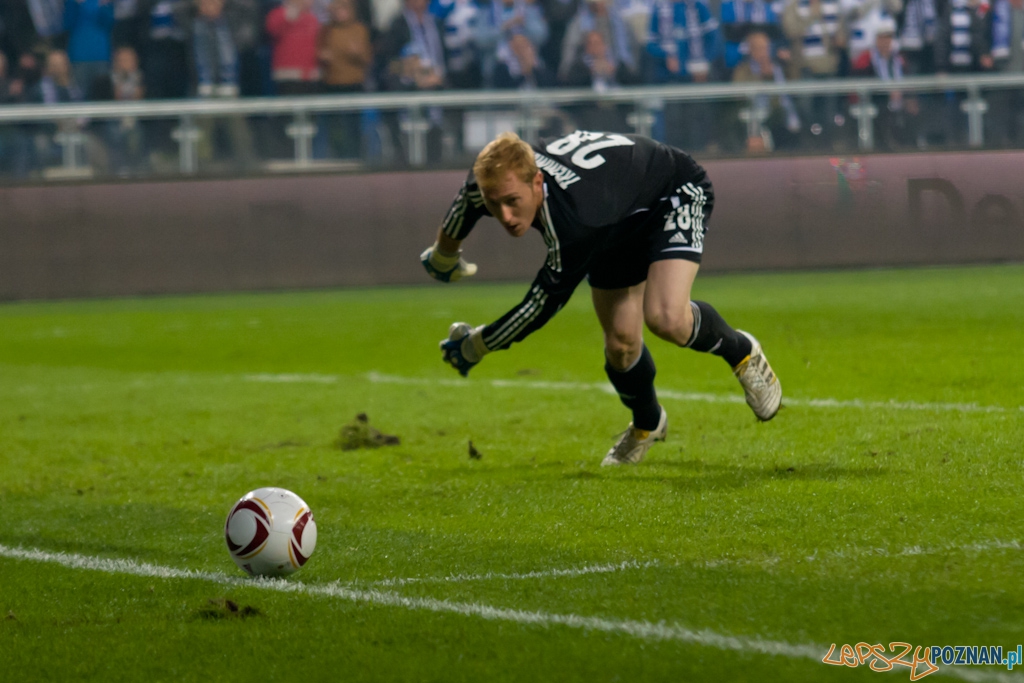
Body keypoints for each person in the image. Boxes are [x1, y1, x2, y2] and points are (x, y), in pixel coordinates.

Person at [420, 130, 782, 466]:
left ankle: (742, 352)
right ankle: (648, 423)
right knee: (621, 346)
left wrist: (476, 346)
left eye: (513, 202)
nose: (506, 216)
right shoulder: (491, 180)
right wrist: (443, 256)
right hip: (615, 217)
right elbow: (464, 205)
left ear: (537, 182)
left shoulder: (576, 222)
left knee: (666, 318)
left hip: (671, 192)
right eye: (494, 204)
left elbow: (538, 306)